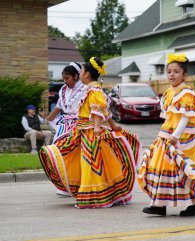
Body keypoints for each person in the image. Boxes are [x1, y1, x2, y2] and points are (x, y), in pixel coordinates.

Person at [39, 57, 140, 208]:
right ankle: (97, 192)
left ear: (86, 75)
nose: (80, 75)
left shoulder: (94, 90)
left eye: (82, 72)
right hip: (84, 130)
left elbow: (98, 110)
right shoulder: (91, 89)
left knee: (91, 163)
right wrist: (113, 124)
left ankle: (94, 195)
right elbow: (105, 111)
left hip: (91, 132)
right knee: (87, 161)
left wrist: (98, 128)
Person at [138, 53, 195, 216]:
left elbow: (185, 117)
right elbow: (169, 117)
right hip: (168, 134)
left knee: (182, 170)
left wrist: (176, 136)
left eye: (176, 71)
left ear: (185, 74)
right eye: (169, 71)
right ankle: (159, 204)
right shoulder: (169, 93)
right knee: (158, 167)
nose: (172, 74)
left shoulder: (187, 93)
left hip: (185, 138)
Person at [47, 62, 87, 142]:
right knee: (60, 141)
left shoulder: (85, 88)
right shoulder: (64, 90)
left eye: (67, 78)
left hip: (82, 122)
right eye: (64, 79)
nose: (65, 81)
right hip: (67, 122)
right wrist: (49, 118)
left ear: (75, 76)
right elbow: (59, 106)